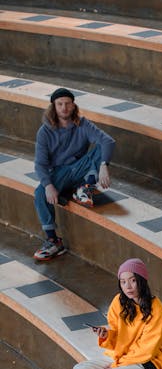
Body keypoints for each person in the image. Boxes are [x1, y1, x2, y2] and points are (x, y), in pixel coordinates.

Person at [33, 87, 115, 261]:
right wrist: (48, 185)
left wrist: (103, 165)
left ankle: (86, 187)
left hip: (79, 168)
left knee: (101, 147)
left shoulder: (82, 124)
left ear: (73, 105)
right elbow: (40, 164)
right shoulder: (45, 132)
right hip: (59, 173)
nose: (64, 108)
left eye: (68, 103)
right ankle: (53, 241)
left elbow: (107, 141)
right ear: (53, 107)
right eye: (60, 104)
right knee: (40, 193)